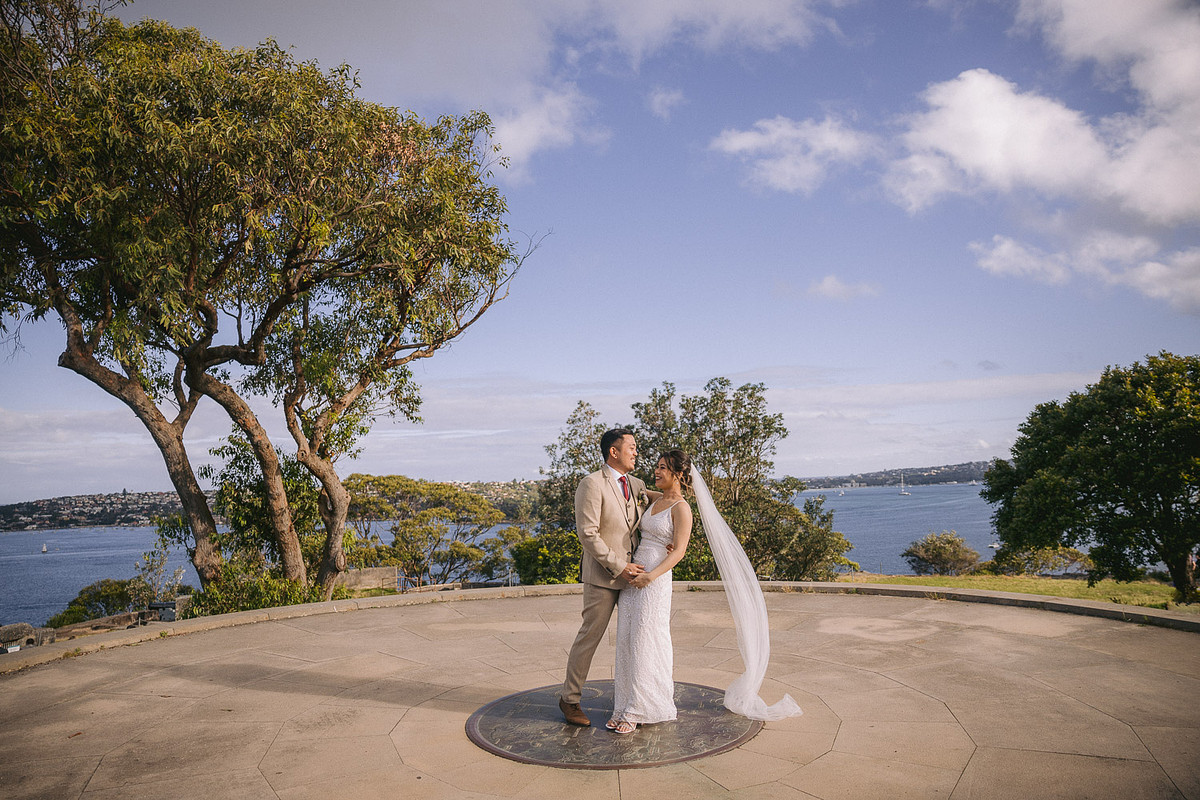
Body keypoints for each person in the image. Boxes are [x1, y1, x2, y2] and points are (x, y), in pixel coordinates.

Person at [558, 428, 647, 727]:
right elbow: (588, 534)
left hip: (636, 577)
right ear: (614, 451)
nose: (636, 452)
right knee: (590, 637)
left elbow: (652, 516)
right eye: (632, 447)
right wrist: (618, 565)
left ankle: (637, 700)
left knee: (639, 639)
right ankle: (569, 699)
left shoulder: (637, 484)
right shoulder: (592, 484)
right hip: (603, 577)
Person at [607, 449, 694, 734]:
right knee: (628, 637)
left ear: (678, 474)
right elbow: (639, 494)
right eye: (656, 467)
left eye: (663, 468)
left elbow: (679, 551)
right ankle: (623, 705)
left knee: (647, 637)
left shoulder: (681, 508)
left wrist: (651, 576)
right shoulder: (656, 499)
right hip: (635, 572)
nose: (656, 472)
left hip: (655, 577)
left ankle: (640, 708)